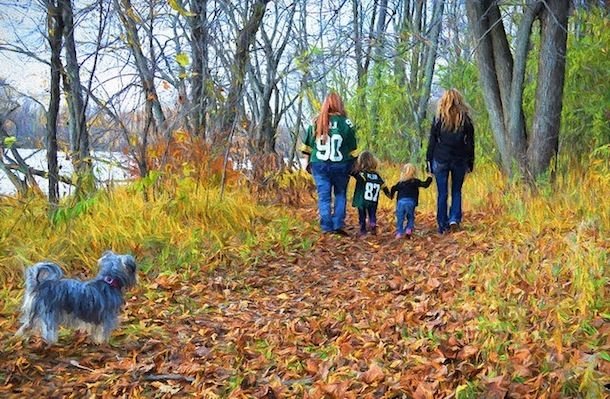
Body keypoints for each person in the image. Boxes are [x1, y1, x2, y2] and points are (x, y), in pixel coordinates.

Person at [300, 92, 358, 235]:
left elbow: (306, 147)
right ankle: (338, 223)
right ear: (339, 104)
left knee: (324, 195)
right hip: (341, 164)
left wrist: (307, 163)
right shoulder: (346, 123)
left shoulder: (316, 122)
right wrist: (353, 164)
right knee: (340, 193)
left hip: (319, 164)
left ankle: (326, 226)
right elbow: (353, 149)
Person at [426, 88, 475, 234]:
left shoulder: (439, 118)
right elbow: (470, 143)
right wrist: (470, 161)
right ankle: (454, 218)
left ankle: (442, 224)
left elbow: (432, 141)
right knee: (456, 191)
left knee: (442, 193)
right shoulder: (465, 119)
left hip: (440, 159)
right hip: (459, 159)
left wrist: (428, 160)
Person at [350, 151, 390, 236]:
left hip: (362, 200)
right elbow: (383, 186)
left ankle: (363, 230)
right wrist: (389, 194)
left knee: (362, 215)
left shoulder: (362, 175)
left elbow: (352, 172)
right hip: (373, 200)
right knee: (372, 213)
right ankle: (372, 223)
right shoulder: (377, 175)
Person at [388, 163, 432, 238]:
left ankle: (399, 233)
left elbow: (393, 188)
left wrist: (391, 196)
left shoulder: (400, 183)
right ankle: (408, 229)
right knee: (410, 217)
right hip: (411, 202)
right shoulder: (415, 181)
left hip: (400, 202)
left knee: (400, 218)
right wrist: (429, 177)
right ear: (414, 172)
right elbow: (425, 184)